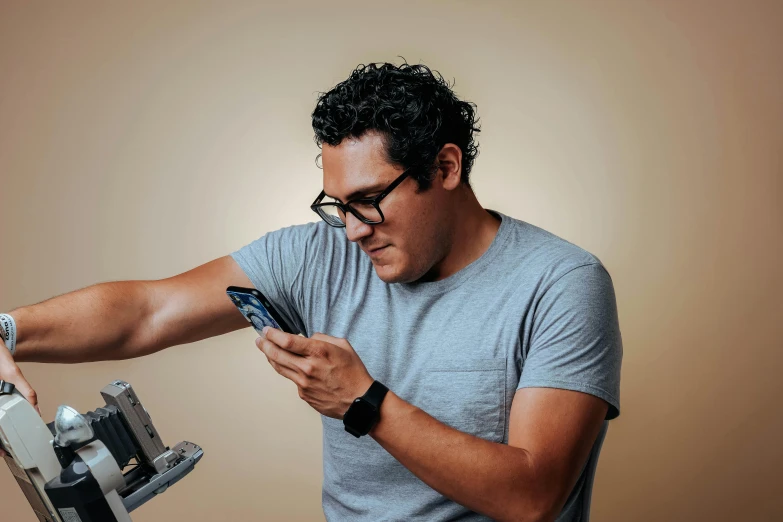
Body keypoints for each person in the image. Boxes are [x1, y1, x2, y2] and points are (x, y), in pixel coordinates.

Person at [0, 61, 623, 522]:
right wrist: (8, 332)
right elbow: (148, 313)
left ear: (446, 168)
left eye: (369, 201)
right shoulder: (315, 255)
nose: (351, 230)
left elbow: (535, 495)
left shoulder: (562, 284)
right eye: (337, 205)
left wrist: (365, 401)